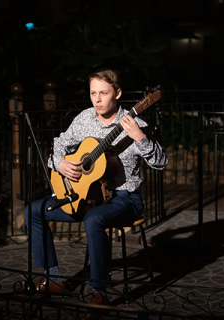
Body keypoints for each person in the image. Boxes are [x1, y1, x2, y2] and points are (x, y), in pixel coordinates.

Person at [24, 68, 167, 318]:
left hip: (124, 199)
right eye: (93, 93)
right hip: (87, 197)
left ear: (118, 93)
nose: (97, 99)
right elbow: (59, 143)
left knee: (94, 219)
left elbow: (161, 163)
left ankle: (99, 291)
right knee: (34, 210)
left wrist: (140, 137)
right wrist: (58, 163)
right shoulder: (85, 119)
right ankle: (53, 279)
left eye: (104, 93)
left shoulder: (135, 123)